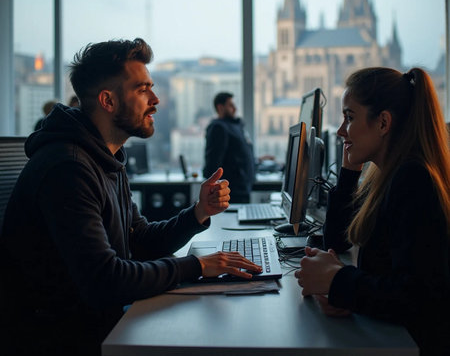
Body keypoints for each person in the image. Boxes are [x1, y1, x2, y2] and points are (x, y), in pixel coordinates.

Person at [0, 38, 262, 356]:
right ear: (108, 101)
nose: (155, 99)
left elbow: (138, 241)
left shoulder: (107, 156)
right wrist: (197, 266)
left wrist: (198, 212)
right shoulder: (67, 168)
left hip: (101, 327)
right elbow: (105, 280)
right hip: (62, 341)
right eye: (142, 89)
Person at [295, 67, 450, 355]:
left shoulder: (412, 180)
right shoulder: (386, 176)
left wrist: (338, 282)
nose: (341, 131)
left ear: (383, 123)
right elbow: (337, 241)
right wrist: (349, 170)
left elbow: (415, 297)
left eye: (349, 118)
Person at [203, 92, 255, 203]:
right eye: (230, 105)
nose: (235, 108)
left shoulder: (236, 126)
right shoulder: (218, 128)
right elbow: (213, 162)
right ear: (220, 107)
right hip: (231, 191)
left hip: (243, 188)